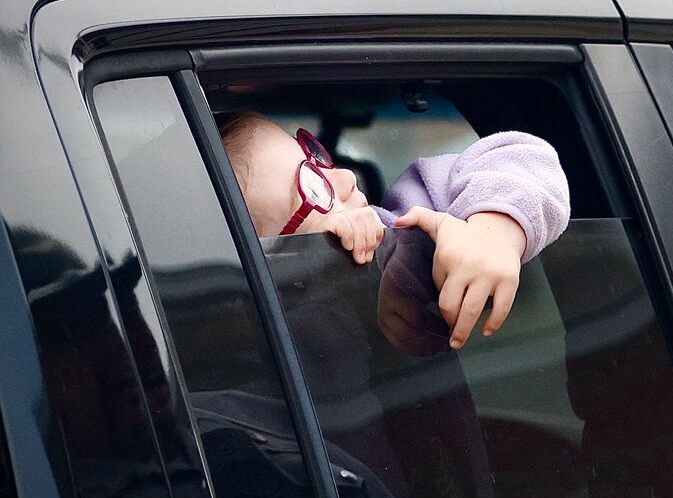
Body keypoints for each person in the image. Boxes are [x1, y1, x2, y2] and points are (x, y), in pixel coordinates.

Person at [217, 112, 570, 349]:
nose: (345, 176)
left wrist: (492, 232)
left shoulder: (406, 222)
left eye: (316, 160)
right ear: (274, 256)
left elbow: (525, 157)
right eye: (312, 187)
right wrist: (344, 282)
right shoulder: (269, 336)